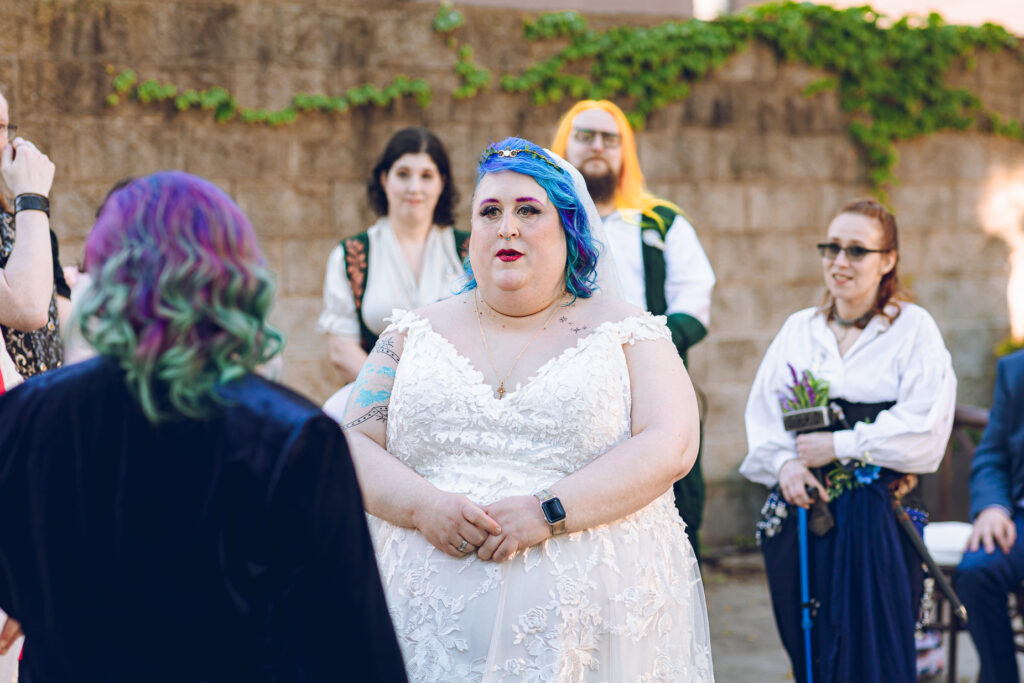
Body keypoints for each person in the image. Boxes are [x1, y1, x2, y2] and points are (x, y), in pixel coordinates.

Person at [0, 171, 407, 682]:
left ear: (103, 274)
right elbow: (355, 652)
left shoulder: (24, 417)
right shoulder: (293, 436)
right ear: (236, 277)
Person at [342, 137, 714, 682]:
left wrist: (549, 512)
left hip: (588, 645)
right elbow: (351, 441)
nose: (507, 227)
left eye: (528, 210)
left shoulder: (629, 331)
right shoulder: (408, 333)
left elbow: (672, 444)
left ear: (569, 227)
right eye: (489, 212)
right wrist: (423, 506)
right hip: (417, 635)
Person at [739, 198, 957, 682]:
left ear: (888, 260)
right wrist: (785, 466)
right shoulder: (800, 329)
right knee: (811, 651)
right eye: (831, 248)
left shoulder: (912, 330)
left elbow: (926, 432)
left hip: (878, 517)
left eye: (857, 250)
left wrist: (841, 446)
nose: (840, 262)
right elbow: (763, 417)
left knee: (873, 654)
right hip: (800, 514)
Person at [551, 99, 716, 555]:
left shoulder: (662, 222)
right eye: (585, 136)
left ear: (627, 152)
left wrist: (644, 344)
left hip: (650, 382)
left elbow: (695, 303)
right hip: (566, 383)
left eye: (610, 138)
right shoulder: (544, 218)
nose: (597, 147)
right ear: (565, 145)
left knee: (670, 495)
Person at [317, 126, 466, 390]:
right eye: (403, 174)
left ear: (442, 182)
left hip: (457, 395)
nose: (414, 188)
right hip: (375, 399)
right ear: (384, 179)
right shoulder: (352, 255)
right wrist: (394, 392)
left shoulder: (468, 251)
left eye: (426, 176)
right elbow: (342, 350)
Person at [954, 349, 1024, 683]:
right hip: (1020, 517)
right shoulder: (1016, 369)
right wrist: (993, 507)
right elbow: (992, 453)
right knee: (977, 572)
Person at [0, 90, 70, 389]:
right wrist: (31, 196)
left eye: (1, 126)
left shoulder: (29, 226)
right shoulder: (31, 211)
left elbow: (64, 328)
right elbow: (27, 309)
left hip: (41, 412)